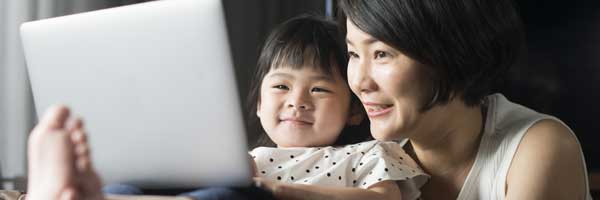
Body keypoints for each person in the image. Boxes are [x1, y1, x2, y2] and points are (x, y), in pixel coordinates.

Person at [25, 15, 429, 200]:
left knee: (230, 194)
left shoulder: (369, 153)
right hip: (224, 179)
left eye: (320, 91)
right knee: (136, 184)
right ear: (257, 104)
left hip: (254, 197)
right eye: (281, 86)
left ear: (355, 110)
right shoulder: (240, 158)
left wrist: (278, 190)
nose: (296, 101)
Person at [319, 0, 589, 199]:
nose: (360, 82)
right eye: (353, 54)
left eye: (381, 54)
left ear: (449, 52)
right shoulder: (372, 160)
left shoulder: (538, 148)